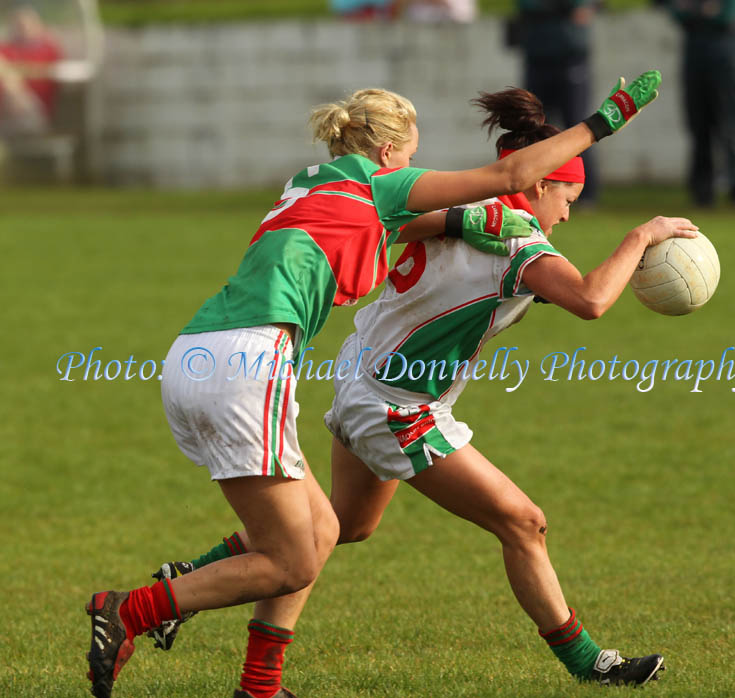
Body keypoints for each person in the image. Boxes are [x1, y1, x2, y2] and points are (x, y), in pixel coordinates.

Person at [85, 76, 663, 698]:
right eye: (568, 196)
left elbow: (418, 222)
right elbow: (586, 293)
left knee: (333, 528)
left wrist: (461, 222)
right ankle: (588, 662)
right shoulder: (499, 230)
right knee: (515, 523)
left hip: (271, 363)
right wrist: (633, 202)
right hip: (354, 391)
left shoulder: (314, 181)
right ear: (389, 154)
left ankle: (250, 674)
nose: (570, 212)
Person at [664, 0, 735, 207]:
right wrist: (704, 10)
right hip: (696, 55)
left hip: (728, 56)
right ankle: (702, 192)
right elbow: (676, 11)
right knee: (698, 126)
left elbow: (729, 15)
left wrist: (695, 10)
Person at [510, 0, 600, 205]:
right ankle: (536, 191)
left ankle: (585, 193)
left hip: (571, 57)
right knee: (533, 127)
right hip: (538, 58)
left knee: (580, 128)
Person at [0, 4, 62, 138]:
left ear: (37, 26)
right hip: (4, 113)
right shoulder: (5, 49)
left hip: (33, 113)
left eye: (26, 25)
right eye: (18, 25)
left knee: (11, 82)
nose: (23, 29)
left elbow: (48, 71)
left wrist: (13, 76)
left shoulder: (47, 49)